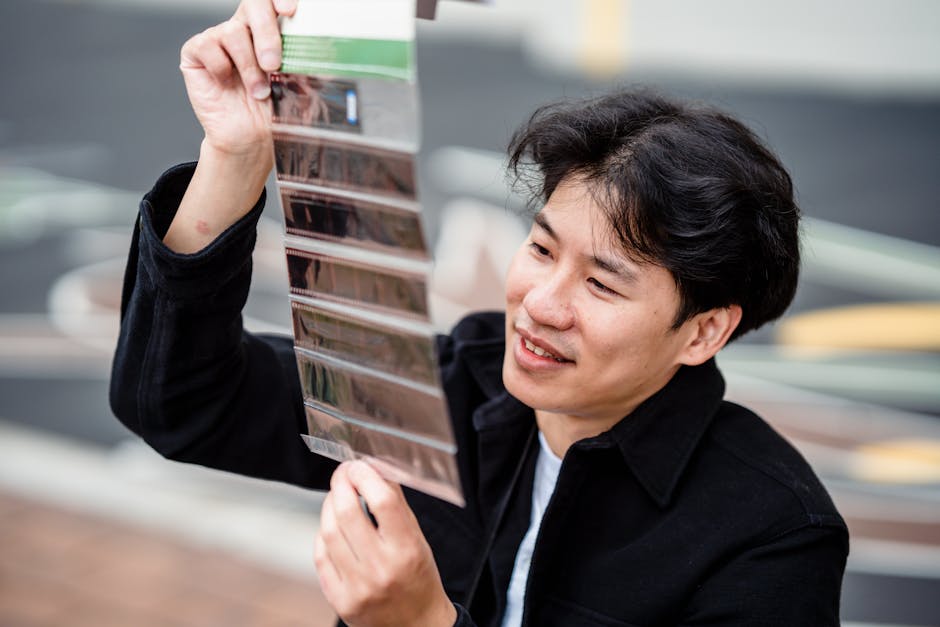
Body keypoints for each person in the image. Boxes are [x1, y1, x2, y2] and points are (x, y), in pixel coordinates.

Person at [110, 1, 849, 625]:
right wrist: (236, 154)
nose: (542, 304)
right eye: (540, 247)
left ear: (704, 329)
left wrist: (423, 619)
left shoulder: (772, 534)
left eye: (603, 285)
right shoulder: (454, 386)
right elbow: (181, 401)